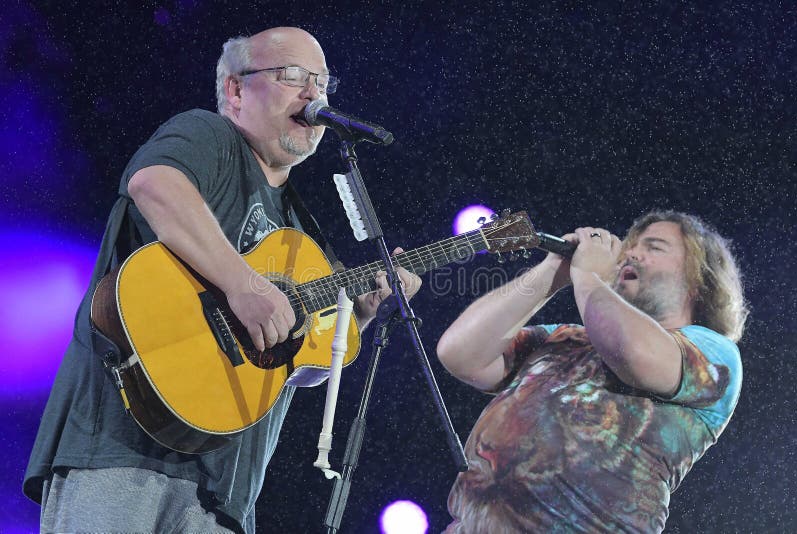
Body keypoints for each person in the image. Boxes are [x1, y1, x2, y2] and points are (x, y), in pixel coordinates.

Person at [23, 27, 420, 533]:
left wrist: (357, 316)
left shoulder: (302, 231)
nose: (313, 95)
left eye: (322, 83)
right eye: (293, 76)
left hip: (226, 492)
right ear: (236, 90)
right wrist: (246, 285)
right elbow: (154, 184)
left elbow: (299, 367)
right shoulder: (208, 137)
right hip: (124, 451)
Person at [437, 211, 748, 533]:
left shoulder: (714, 353)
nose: (630, 253)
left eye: (653, 247)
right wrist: (552, 273)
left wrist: (588, 277)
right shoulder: (566, 338)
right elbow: (460, 355)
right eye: (630, 246)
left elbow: (635, 353)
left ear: (699, 278)